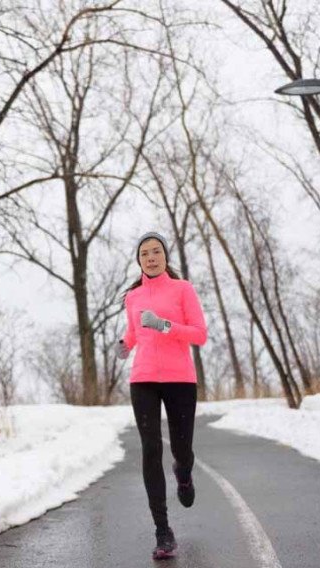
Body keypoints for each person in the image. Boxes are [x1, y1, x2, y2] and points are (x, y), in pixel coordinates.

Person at [115, 231, 207, 561]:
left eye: (156, 251)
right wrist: (125, 346)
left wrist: (165, 326)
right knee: (151, 448)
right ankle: (163, 531)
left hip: (180, 379)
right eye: (144, 253)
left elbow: (200, 334)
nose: (151, 257)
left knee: (182, 448)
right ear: (138, 260)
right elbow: (134, 331)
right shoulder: (133, 297)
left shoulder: (183, 290)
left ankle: (183, 473)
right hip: (144, 381)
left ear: (165, 256)